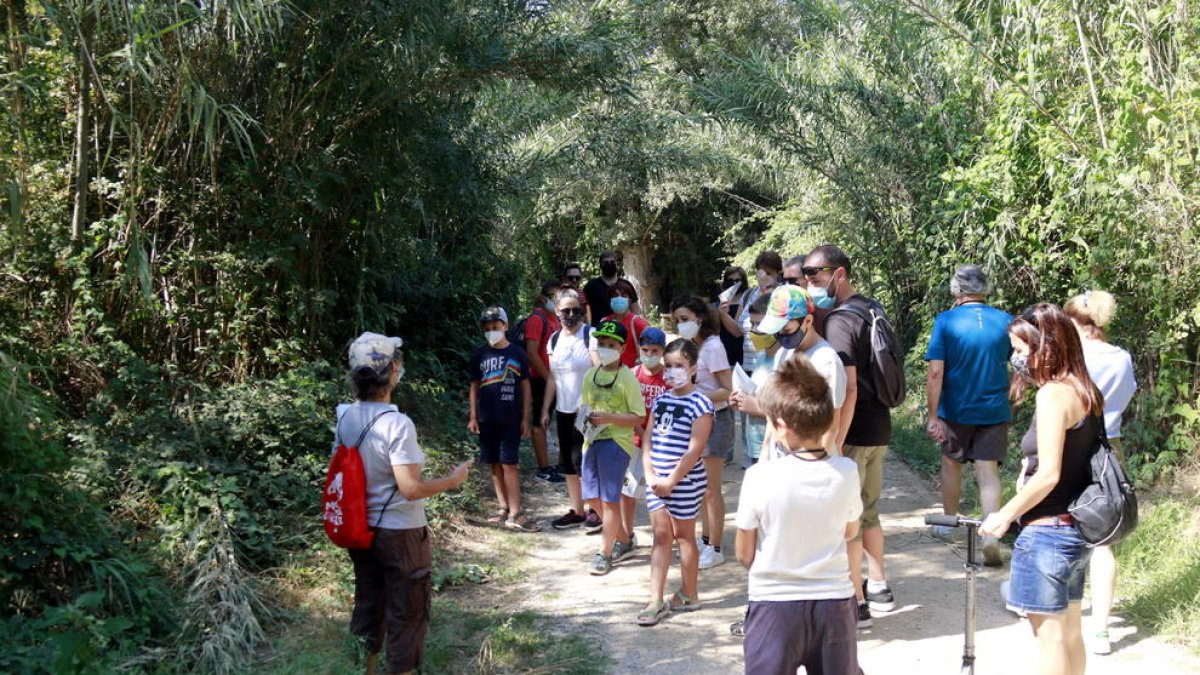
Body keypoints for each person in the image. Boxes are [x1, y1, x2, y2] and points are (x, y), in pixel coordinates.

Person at [337, 332, 472, 675]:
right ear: (393, 369)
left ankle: (363, 669)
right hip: (400, 532)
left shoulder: (345, 417)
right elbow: (410, 489)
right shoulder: (396, 423)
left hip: (360, 529)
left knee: (369, 605)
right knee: (407, 613)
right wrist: (452, 480)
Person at [981, 303, 1104, 675]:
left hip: (1047, 534)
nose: (1017, 360)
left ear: (1046, 345)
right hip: (1075, 531)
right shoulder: (1085, 390)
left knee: (1048, 638)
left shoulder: (1052, 395)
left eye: (1021, 350)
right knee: (1069, 633)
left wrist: (1004, 515)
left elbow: (1048, 474)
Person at [735, 356, 864, 675]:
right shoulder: (846, 472)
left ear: (781, 426)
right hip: (834, 603)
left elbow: (744, 553)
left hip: (773, 604)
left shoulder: (758, 477)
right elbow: (850, 532)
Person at [802, 244, 895, 628]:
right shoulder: (873, 307)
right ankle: (879, 585)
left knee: (847, 519)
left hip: (854, 431)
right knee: (868, 510)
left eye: (816, 274)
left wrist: (836, 440)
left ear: (838, 274)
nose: (810, 282)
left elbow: (849, 388)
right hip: (879, 427)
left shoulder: (840, 320)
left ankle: (856, 601)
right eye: (806, 274)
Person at [1064, 290, 1136, 656]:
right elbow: (1123, 399)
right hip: (1111, 445)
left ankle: (1060, 612)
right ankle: (1102, 629)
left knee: (1062, 526)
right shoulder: (1122, 358)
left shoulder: (1071, 357)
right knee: (1102, 538)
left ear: (1079, 322)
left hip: (1071, 443)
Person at [924, 265, 1012, 566]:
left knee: (951, 463)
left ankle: (949, 521)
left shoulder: (946, 321)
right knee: (988, 472)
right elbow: (1025, 359)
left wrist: (932, 414)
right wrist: (1018, 387)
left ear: (956, 290)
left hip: (956, 409)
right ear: (984, 289)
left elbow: (936, 371)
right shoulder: (1005, 320)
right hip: (995, 407)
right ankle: (990, 533)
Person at [637, 338, 715, 625]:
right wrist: (650, 474)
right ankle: (655, 600)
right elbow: (648, 438)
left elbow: (695, 449)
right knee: (659, 537)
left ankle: (689, 593)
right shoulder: (661, 399)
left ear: (693, 367)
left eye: (679, 366)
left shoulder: (701, 403)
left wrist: (671, 480)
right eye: (668, 366)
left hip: (684, 483)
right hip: (656, 481)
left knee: (683, 536)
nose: (672, 371)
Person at [733, 285, 847, 460]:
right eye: (776, 331)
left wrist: (814, 464)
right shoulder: (783, 353)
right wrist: (765, 453)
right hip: (781, 460)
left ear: (807, 321)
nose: (781, 336)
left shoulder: (826, 361)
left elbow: (832, 424)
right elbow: (775, 412)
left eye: (786, 330)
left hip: (811, 461)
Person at [670, 296, 733, 570]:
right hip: (698, 421)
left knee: (711, 490)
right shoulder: (695, 347)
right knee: (701, 488)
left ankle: (715, 547)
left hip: (717, 419)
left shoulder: (714, 347)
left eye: (684, 319)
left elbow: (727, 390)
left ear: (700, 318)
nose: (680, 325)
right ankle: (706, 541)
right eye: (677, 321)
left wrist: (694, 393)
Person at [580, 319, 646, 575]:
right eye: (602, 344)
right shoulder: (590, 374)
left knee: (610, 501)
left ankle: (604, 554)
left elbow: (638, 417)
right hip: (591, 441)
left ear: (621, 348)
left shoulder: (627, 378)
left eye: (611, 345)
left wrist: (608, 418)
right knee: (592, 497)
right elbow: (584, 406)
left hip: (617, 443)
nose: (605, 348)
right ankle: (625, 539)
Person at [468, 307, 538, 532]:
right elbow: (474, 386)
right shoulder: (480, 355)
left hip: (510, 418)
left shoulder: (517, 353)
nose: (492, 332)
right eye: (487, 329)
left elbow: (526, 386)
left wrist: (525, 416)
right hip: (487, 418)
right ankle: (502, 507)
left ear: (505, 326)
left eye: (496, 327)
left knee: (510, 463)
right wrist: (473, 416)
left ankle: (517, 512)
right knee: (495, 463)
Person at [542, 288, 601, 531]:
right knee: (567, 462)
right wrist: (545, 409)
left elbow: (600, 371)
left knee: (584, 462)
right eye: (565, 310)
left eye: (575, 310)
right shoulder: (554, 340)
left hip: (585, 411)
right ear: (556, 311)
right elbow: (552, 378)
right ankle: (577, 510)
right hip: (563, 410)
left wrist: (590, 402)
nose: (570, 314)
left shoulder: (590, 335)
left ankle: (596, 510)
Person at [627, 327, 670, 555]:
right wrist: (640, 432)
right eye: (645, 350)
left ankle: (663, 537)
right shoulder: (633, 374)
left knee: (662, 493)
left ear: (662, 351)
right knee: (628, 491)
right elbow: (627, 407)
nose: (649, 354)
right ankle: (626, 534)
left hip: (661, 446)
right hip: (634, 442)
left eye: (655, 350)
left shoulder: (669, 377)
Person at [524, 280, 566, 484]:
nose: (555, 300)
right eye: (552, 296)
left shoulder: (556, 319)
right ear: (543, 298)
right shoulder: (536, 319)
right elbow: (531, 353)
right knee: (541, 421)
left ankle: (561, 465)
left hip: (558, 378)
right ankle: (544, 468)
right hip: (541, 379)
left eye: (558, 296)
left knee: (563, 420)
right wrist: (548, 377)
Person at [602, 278, 651, 367]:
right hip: (610, 373)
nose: (619, 298)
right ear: (610, 300)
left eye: (624, 296)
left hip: (631, 375)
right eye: (615, 295)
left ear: (630, 300)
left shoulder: (637, 322)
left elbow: (654, 347)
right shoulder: (604, 322)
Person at [716, 266, 749, 374]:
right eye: (730, 281)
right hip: (724, 351)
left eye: (737, 280)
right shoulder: (719, 303)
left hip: (742, 351)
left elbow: (738, 330)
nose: (734, 283)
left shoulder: (748, 300)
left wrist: (724, 315)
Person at [584, 251, 621, 326]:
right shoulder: (591, 285)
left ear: (617, 264)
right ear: (600, 265)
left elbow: (635, 310)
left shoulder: (625, 285)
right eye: (605, 262)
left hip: (622, 331)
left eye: (612, 261)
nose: (609, 264)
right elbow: (584, 310)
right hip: (597, 330)